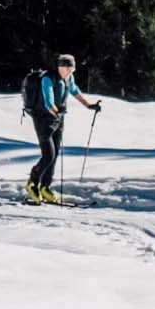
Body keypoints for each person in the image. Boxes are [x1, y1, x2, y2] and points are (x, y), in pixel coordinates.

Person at [26, 52, 102, 204]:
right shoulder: (48, 79)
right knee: (48, 154)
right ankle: (32, 183)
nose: (71, 72)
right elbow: (48, 102)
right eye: (68, 69)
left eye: (72, 69)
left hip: (58, 119)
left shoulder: (68, 79)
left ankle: (45, 187)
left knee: (54, 155)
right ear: (61, 67)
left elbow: (75, 91)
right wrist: (56, 110)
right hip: (43, 119)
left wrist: (89, 105)